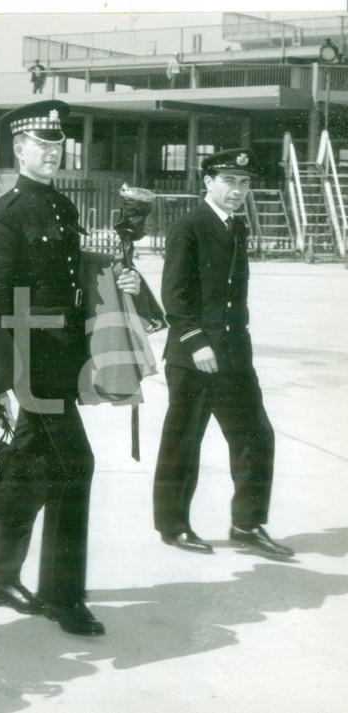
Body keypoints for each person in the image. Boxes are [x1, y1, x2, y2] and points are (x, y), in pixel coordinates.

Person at [0, 100, 140, 637]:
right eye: (42, 145)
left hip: (62, 359)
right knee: (76, 466)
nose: (53, 153)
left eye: (57, 144)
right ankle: (63, 596)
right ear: (18, 149)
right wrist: (3, 381)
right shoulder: (4, 215)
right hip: (30, 365)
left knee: (28, 470)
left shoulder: (63, 207)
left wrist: (120, 277)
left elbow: (73, 276)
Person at [153, 149, 293, 558]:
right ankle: (173, 526)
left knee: (256, 436)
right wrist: (196, 342)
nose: (237, 190)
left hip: (233, 354)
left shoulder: (236, 227)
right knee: (184, 441)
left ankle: (247, 524)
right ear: (208, 182)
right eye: (229, 181)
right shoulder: (190, 225)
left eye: (244, 182)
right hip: (194, 357)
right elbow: (175, 295)